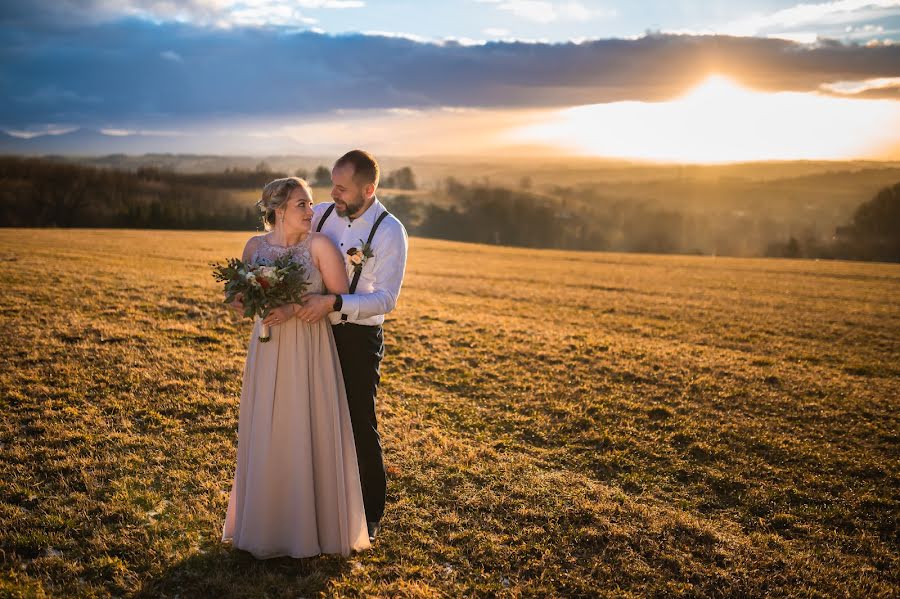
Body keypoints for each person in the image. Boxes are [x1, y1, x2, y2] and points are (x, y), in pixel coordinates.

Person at [221, 176, 370, 559]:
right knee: (268, 425)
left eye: (310, 203)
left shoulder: (319, 245)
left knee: (304, 423)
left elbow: (339, 299)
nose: (311, 210)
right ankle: (265, 525)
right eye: (302, 205)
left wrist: (293, 306)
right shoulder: (255, 247)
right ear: (278, 211)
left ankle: (309, 529)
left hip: (309, 348)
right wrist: (243, 303)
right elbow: (242, 295)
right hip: (267, 349)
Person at [295, 150, 408, 543]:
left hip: (358, 337)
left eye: (341, 188)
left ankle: (369, 512)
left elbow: (386, 300)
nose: (332, 194)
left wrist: (336, 303)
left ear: (369, 189)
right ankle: (318, 501)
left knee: (359, 420)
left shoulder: (390, 231)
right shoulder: (324, 213)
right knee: (313, 415)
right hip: (312, 330)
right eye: (332, 184)